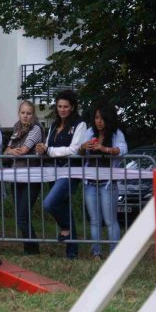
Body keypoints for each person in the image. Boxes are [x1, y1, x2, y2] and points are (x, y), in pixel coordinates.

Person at [35, 90, 87, 260]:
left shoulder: (80, 124)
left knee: (50, 203)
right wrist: (42, 149)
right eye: (59, 106)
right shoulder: (53, 125)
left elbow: (74, 150)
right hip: (53, 171)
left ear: (72, 107)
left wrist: (49, 150)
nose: (62, 109)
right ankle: (72, 252)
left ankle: (66, 228)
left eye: (66, 106)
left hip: (71, 171)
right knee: (64, 207)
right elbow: (48, 147)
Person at [79, 100, 128, 260]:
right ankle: (96, 253)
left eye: (102, 118)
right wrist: (83, 147)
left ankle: (115, 254)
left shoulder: (116, 134)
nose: (98, 121)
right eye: (96, 118)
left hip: (108, 184)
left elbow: (123, 150)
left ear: (108, 118)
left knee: (110, 220)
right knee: (94, 220)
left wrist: (104, 149)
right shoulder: (90, 133)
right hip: (90, 183)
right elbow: (80, 152)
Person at [4, 101, 43, 255]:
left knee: (22, 216)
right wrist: (11, 151)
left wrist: (11, 151)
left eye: (29, 113)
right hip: (16, 176)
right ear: (19, 113)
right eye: (23, 113)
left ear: (33, 115)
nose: (25, 116)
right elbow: (7, 150)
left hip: (31, 177)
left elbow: (24, 150)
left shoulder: (36, 129)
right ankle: (30, 248)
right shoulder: (16, 127)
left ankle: (33, 250)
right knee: (21, 216)